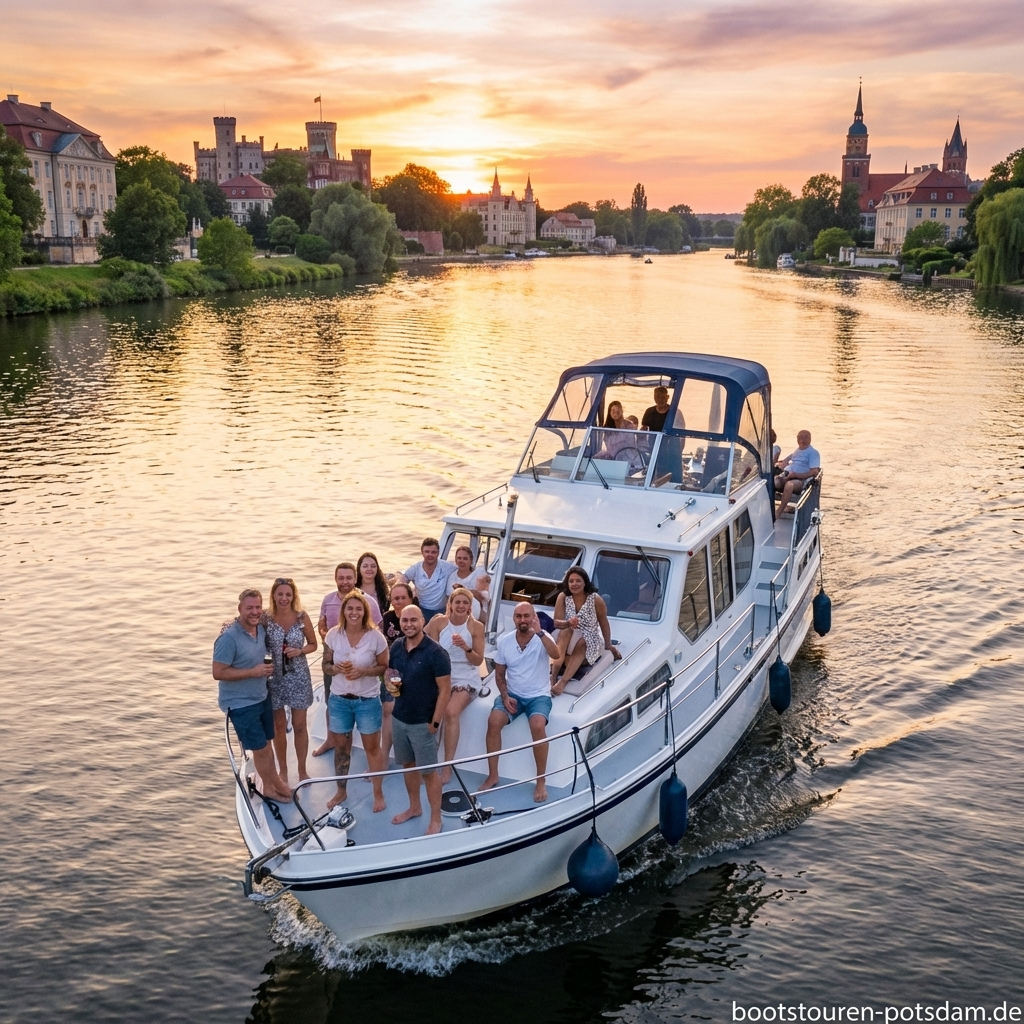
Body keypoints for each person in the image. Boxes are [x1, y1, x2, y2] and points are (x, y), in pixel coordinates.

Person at [213, 589, 291, 802]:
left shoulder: (260, 629)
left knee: (266, 744)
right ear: (240, 609)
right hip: (240, 704)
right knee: (260, 748)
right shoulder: (228, 638)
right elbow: (218, 672)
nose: (255, 612)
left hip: (261, 695)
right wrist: (253, 672)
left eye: (258, 607)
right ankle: (269, 788)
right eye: (250, 608)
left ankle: (276, 784)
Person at [481, 602, 561, 803]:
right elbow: (499, 675)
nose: (523, 620)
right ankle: (493, 775)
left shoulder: (543, 637)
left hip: (538, 696)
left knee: (537, 725)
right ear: (514, 619)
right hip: (513, 694)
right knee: (493, 721)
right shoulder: (505, 642)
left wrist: (541, 633)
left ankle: (540, 780)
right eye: (519, 616)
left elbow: (556, 654)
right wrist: (506, 696)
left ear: (534, 617)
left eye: (527, 616)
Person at [385, 605, 452, 835]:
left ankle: (436, 818)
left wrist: (434, 723)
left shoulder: (436, 653)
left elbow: (445, 690)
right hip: (399, 718)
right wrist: (390, 685)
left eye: (413, 620)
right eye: (404, 620)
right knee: (407, 766)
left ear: (422, 621)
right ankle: (414, 807)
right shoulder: (395, 646)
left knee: (428, 772)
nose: (409, 624)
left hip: (423, 723)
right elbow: (391, 672)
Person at [322, 590, 390, 812]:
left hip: (367, 701)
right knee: (342, 748)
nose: (354, 612)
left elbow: (383, 667)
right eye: (350, 608)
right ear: (343, 611)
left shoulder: (376, 637)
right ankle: (341, 791)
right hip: (339, 700)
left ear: (365, 611)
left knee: (372, 748)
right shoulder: (333, 635)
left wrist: (364, 671)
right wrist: (335, 668)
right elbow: (326, 666)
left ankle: (378, 794)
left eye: (358, 609)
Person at [313, 562, 384, 756]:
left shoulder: (368, 601)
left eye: (349, 578)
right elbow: (321, 623)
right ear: (336, 579)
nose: (345, 582)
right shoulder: (328, 599)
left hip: (363, 660)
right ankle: (331, 740)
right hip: (335, 658)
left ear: (355, 578)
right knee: (331, 700)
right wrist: (325, 635)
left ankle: (366, 749)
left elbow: (379, 629)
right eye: (341, 578)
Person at [426, 587, 485, 784]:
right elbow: (426, 649)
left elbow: (477, 661)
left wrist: (465, 647)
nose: (461, 606)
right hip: (442, 674)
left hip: (465, 675)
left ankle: (447, 766)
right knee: (428, 710)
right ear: (449, 604)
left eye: (465, 603)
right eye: (457, 602)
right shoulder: (439, 622)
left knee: (451, 712)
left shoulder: (475, 627)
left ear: (470, 607)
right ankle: (426, 762)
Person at [264, 577, 318, 784]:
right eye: (280, 594)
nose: (284, 598)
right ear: (274, 596)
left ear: (293, 596)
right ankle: (283, 771)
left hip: (298, 675)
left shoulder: (301, 617)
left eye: (288, 594)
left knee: (300, 725)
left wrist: (300, 650)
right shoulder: (265, 618)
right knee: (279, 725)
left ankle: (302, 771)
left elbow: (314, 644)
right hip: (274, 677)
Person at [550, 566, 620, 691]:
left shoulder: (596, 599)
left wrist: (608, 645)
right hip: (568, 634)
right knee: (565, 631)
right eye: (571, 581)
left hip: (590, 637)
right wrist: (568, 623)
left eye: (578, 581)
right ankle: (553, 676)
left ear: (584, 582)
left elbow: (604, 623)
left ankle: (563, 682)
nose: (574, 584)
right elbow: (556, 623)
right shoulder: (563, 596)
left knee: (583, 642)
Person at [379, 581, 418, 764]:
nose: (399, 601)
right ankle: (384, 757)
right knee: (388, 709)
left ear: (411, 599)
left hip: (414, 671)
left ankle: (413, 758)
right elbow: (382, 644)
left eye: (403, 598)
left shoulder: (417, 618)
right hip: (392, 670)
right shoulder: (386, 618)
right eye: (396, 598)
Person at [398, 538, 457, 623]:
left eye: (433, 552)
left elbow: (463, 570)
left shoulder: (447, 567)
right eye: (427, 552)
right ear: (422, 552)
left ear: (438, 553)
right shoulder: (416, 568)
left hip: (442, 611)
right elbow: (403, 577)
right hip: (422, 610)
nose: (430, 555)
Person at [776, 429, 821, 515]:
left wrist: (796, 475)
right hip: (788, 475)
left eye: (805, 437)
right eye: (800, 437)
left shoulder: (813, 453)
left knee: (789, 485)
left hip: (800, 480)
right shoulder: (797, 451)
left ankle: (779, 512)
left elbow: (813, 472)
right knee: (774, 481)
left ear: (810, 439)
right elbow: (786, 461)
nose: (802, 440)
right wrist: (782, 465)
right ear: (797, 439)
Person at [444, 545, 490, 621]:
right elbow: (449, 600)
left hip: (480, 614)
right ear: (455, 560)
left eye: (465, 558)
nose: (461, 561)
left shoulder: (479, 574)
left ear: (471, 560)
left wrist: (464, 590)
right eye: (459, 558)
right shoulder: (452, 577)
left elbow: (483, 598)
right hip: (459, 614)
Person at [357, 552, 391, 617]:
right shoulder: (354, 588)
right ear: (359, 568)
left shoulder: (384, 590)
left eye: (373, 566)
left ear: (377, 569)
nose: (369, 569)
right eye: (365, 566)